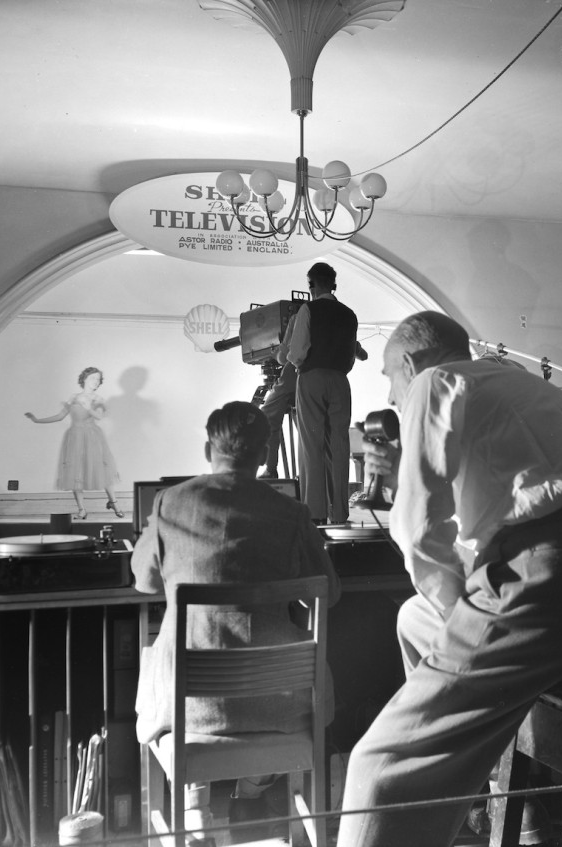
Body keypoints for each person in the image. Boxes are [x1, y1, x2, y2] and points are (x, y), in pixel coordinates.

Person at [336, 312, 562, 847]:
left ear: (411, 364)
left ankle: (440, 772)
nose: (392, 398)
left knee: (381, 761)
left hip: (552, 584)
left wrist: (461, 605)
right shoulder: (528, 387)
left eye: (391, 382)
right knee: (414, 618)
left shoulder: (432, 383)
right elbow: (504, 514)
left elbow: (417, 531)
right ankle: (492, 791)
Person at [131, 401, 341, 839]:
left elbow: (145, 582)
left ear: (209, 448)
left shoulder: (171, 502)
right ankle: (252, 789)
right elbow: (331, 592)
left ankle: (194, 807)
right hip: (278, 702)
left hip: (188, 709)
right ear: (264, 455)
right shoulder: (292, 513)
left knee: (171, 655)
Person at [284, 262, 363, 524]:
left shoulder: (308, 309)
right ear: (334, 284)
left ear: (311, 285)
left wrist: (297, 363)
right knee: (339, 446)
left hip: (312, 378)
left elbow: (296, 353)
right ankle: (339, 512)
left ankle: (314, 513)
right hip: (340, 380)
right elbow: (351, 354)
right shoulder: (350, 314)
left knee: (311, 445)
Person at [25, 366, 122, 518]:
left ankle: (113, 503)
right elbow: (60, 416)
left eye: (98, 379)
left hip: (92, 437)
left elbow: (99, 417)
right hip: (75, 436)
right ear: (84, 379)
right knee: (75, 472)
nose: (96, 382)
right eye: (93, 378)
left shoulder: (98, 399)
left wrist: (88, 407)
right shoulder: (73, 397)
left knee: (101, 469)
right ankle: (82, 509)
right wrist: (36, 420)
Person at [258, 357, 297, 479]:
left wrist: (278, 354)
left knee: (266, 419)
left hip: (293, 371)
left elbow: (285, 354)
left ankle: (270, 470)